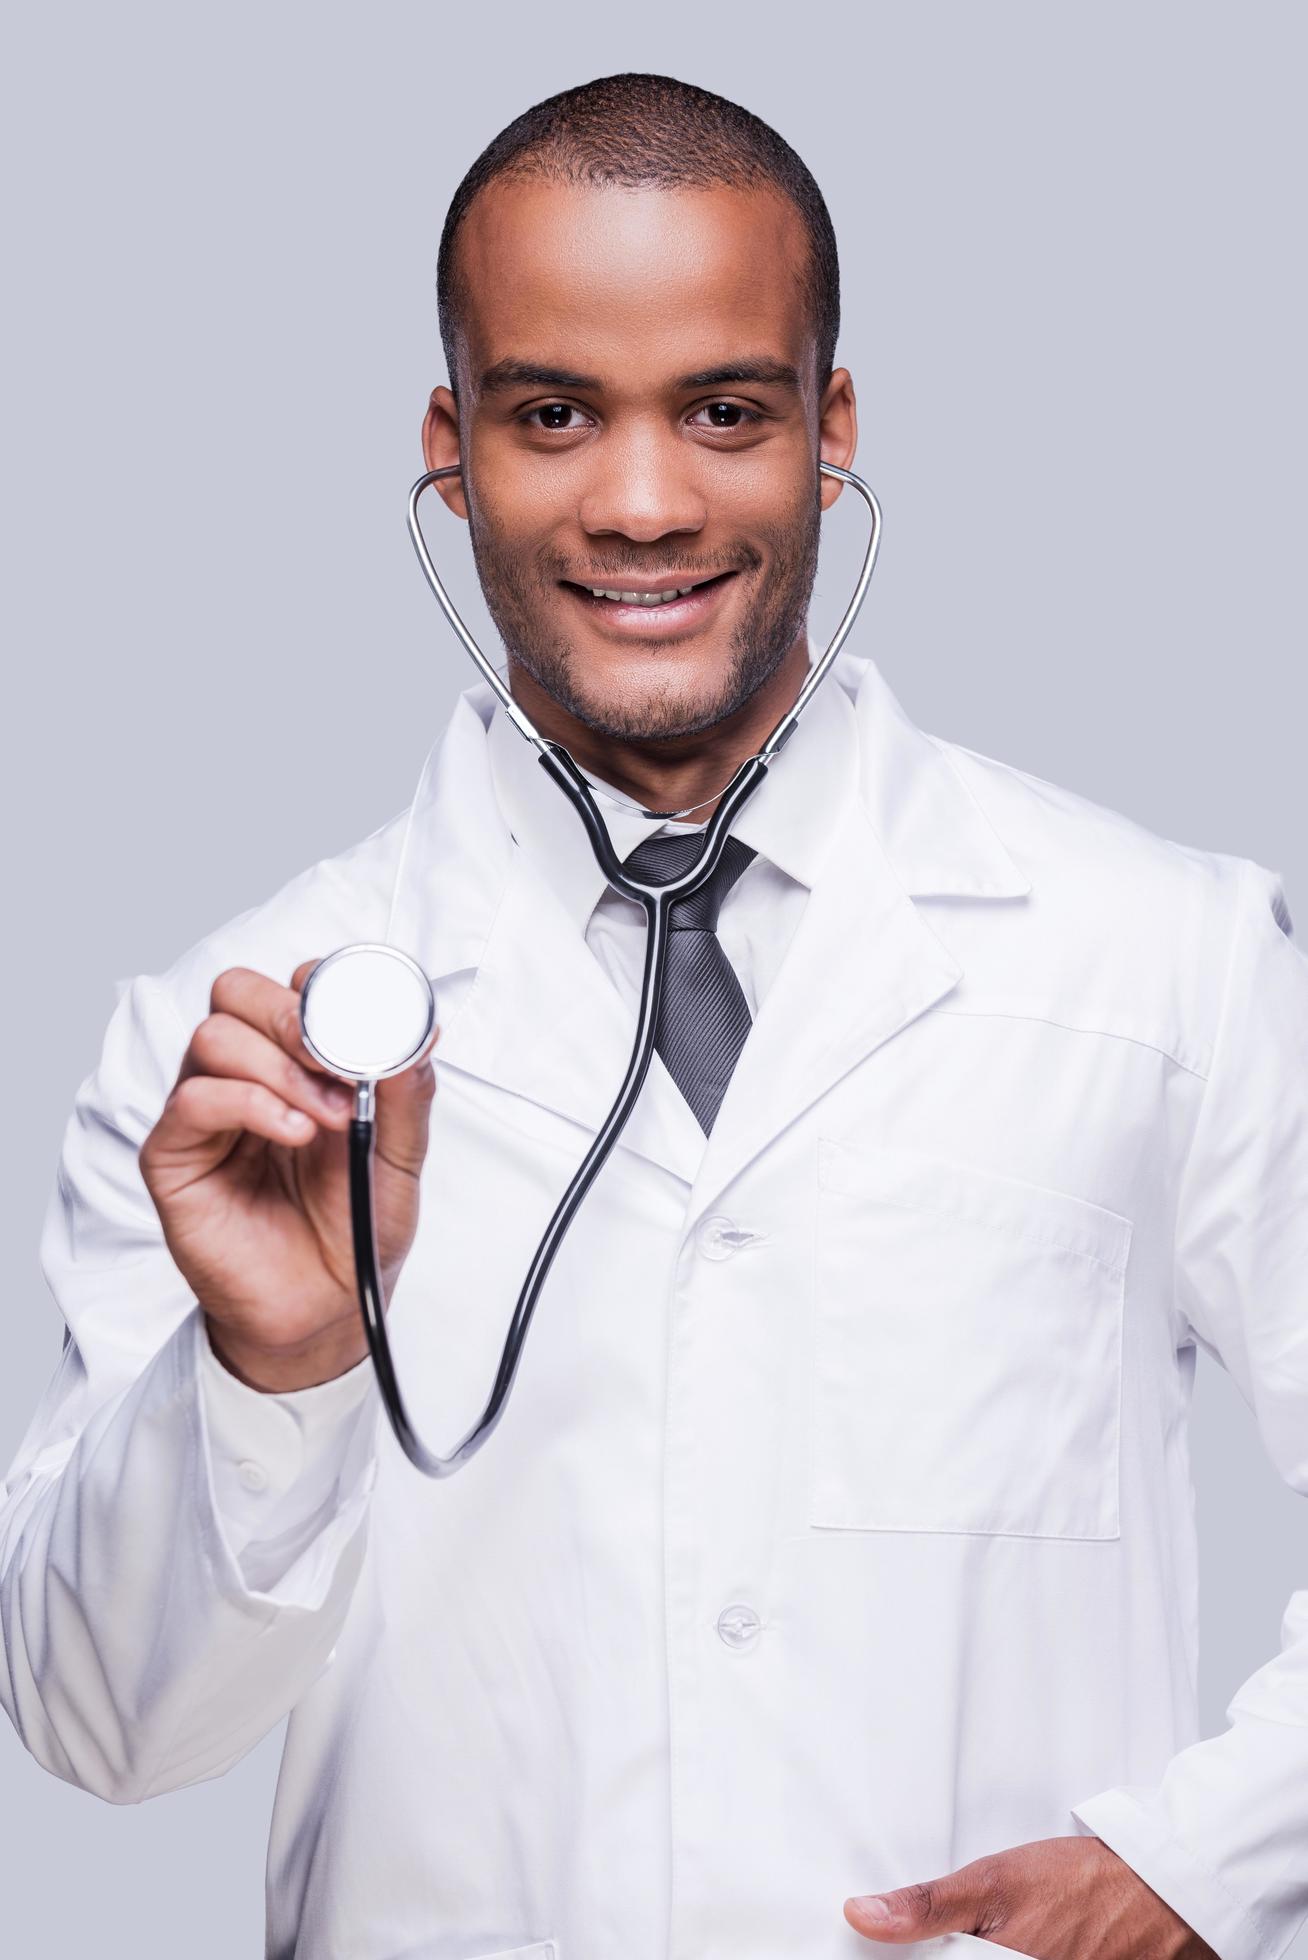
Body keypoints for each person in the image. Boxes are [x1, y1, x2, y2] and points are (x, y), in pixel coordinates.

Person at [1, 69, 1304, 1960]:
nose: (640, 503)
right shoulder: (236, 1044)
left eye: (723, 410)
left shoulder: (1159, 956)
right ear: (450, 450)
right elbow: (97, 1730)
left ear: (829, 428)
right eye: (553, 414)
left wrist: (1214, 1859)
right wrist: (265, 1374)